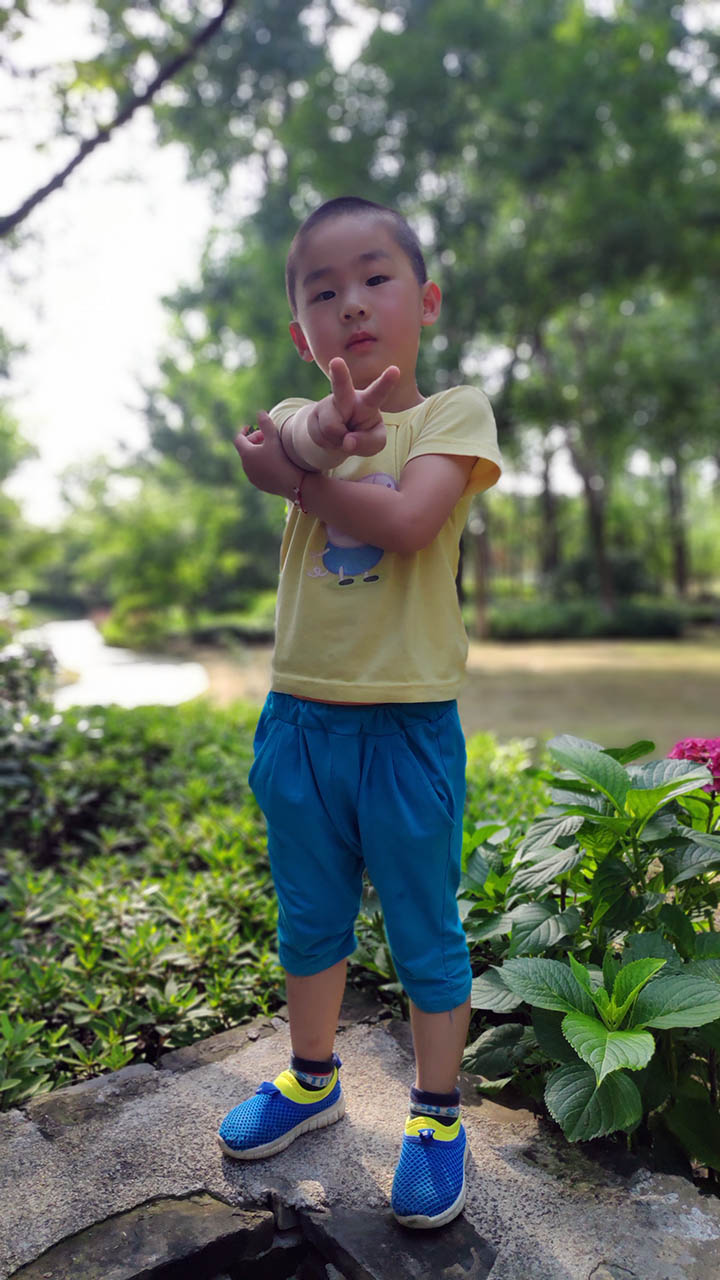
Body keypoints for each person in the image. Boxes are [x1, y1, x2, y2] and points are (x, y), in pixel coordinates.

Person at [217, 196, 502, 1229]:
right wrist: (318, 438)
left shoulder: (453, 416)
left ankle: (436, 1114)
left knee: (426, 926)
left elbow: (410, 519)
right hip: (300, 723)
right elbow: (292, 432)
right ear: (303, 333)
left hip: (407, 727)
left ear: (426, 300)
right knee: (310, 918)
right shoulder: (305, 416)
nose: (352, 303)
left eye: (376, 278)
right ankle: (310, 1078)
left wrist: (297, 483)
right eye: (323, 291)